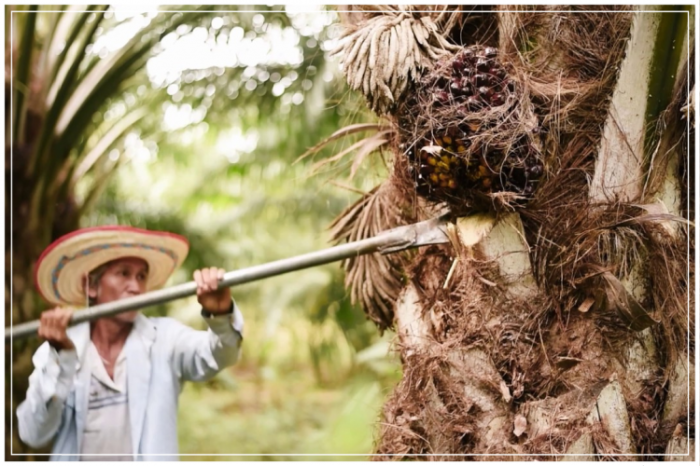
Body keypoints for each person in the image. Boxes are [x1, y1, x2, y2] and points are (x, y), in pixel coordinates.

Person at [16, 226, 244, 461]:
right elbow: (32, 434)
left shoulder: (164, 338)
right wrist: (60, 360)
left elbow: (220, 355)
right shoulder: (56, 350)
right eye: (123, 273)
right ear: (91, 286)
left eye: (141, 276)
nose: (135, 287)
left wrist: (221, 316)